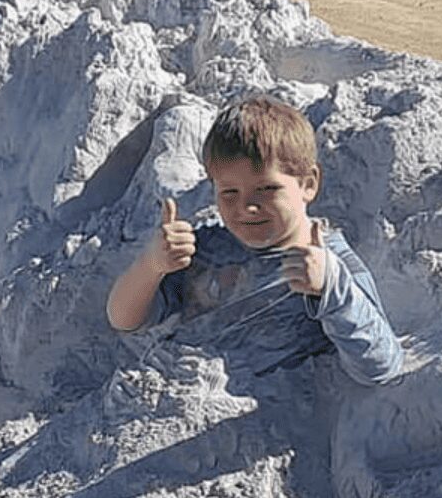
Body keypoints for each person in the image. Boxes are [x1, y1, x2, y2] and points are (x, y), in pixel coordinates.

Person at [107, 94, 403, 386]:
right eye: (229, 193)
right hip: (166, 393)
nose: (247, 207)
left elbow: (380, 366)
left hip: (250, 418)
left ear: (308, 184)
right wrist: (151, 265)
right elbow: (125, 319)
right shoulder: (207, 249)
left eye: (267, 189)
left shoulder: (328, 263)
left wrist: (331, 288)